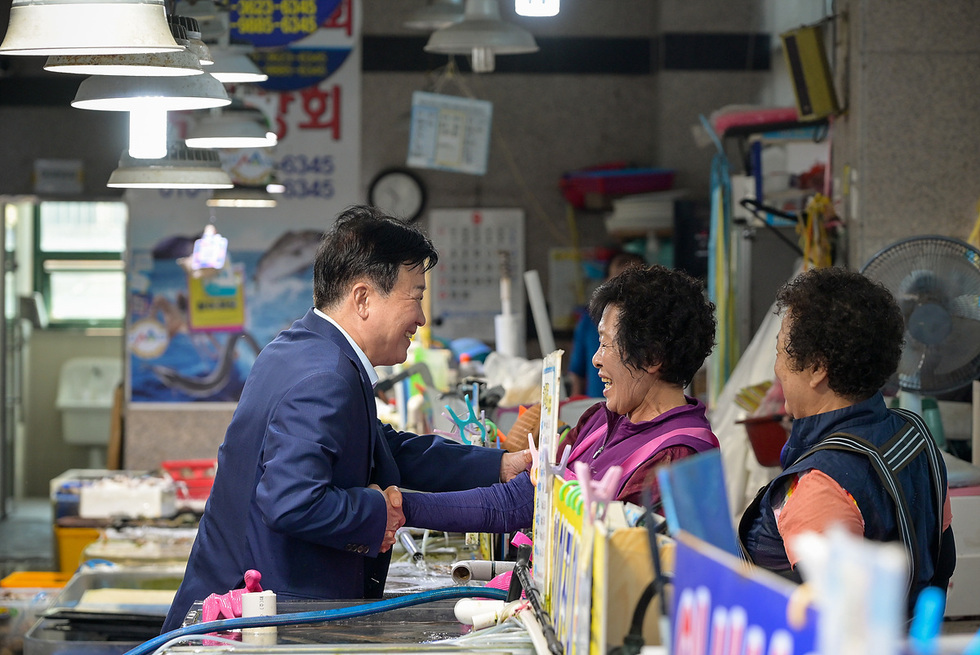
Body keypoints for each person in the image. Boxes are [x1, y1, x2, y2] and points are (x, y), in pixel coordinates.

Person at [162, 206, 532, 631]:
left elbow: (381, 447)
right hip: (243, 622)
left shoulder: (303, 348)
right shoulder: (325, 376)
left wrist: (498, 465)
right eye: (415, 297)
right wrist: (379, 513)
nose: (421, 319)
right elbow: (290, 501)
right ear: (362, 298)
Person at [397, 265, 720, 533]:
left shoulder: (679, 455)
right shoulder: (597, 420)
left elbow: (635, 561)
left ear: (651, 357)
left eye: (606, 344)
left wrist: (397, 509)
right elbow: (517, 497)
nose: (595, 360)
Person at [737, 266, 955, 613]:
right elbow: (942, 562)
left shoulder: (819, 483)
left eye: (780, 352)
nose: (776, 368)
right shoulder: (915, 435)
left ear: (817, 368)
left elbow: (826, 626)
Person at [569, 251, 646, 398]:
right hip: (597, 403)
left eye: (634, 282)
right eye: (619, 281)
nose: (597, 360)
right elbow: (576, 371)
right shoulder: (588, 320)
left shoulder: (651, 324)